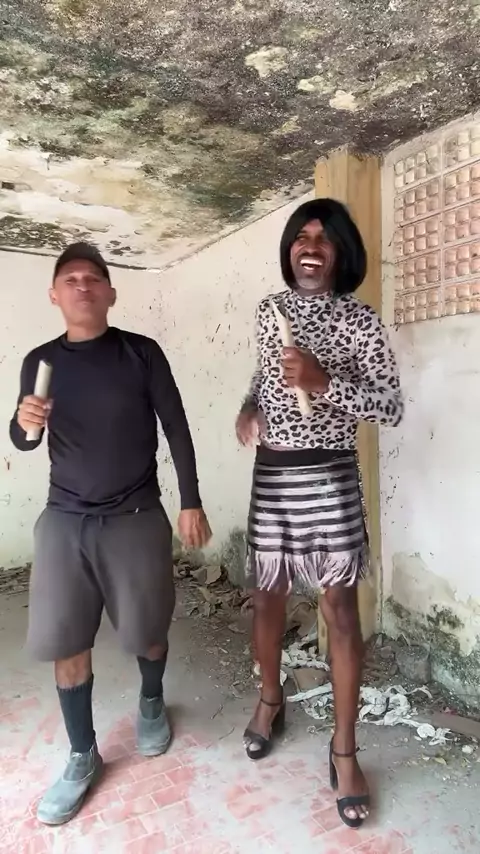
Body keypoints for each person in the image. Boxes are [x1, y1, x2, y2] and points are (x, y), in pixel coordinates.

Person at [10, 243, 212, 826]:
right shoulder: (41, 362)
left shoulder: (140, 353)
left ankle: (151, 700)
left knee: (149, 632)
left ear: (111, 293)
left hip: (135, 515)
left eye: (93, 278)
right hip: (65, 518)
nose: (83, 286)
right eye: (71, 279)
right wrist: (22, 424)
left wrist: (190, 501)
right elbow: (24, 439)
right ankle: (82, 756)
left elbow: (176, 427)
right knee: (67, 642)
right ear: (54, 295)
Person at [235, 199, 403, 829]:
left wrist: (323, 379)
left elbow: (389, 407)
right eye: (301, 236)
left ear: (340, 253)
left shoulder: (360, 321)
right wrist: (250, 406)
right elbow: (265, 375)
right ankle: (270, 699)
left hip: (330, 477)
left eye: (324, 239)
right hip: (272, 475)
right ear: (290, 250)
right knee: (267, 599)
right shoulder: (269, 311)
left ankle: (345, 751)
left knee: (339, 611)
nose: (310, 246)